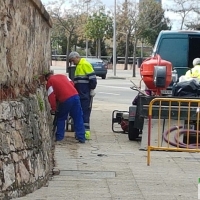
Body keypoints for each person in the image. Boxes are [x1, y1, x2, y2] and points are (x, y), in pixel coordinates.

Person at [45, 72, 85, 143]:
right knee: (78, 117)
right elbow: (72, 84)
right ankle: (81, 137)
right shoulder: (64, 76)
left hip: (65, 99)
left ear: (47, 78)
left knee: (61, 118)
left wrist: (53, 108)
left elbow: (51, 96)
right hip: (75, 96)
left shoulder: (50, 81)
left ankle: (59, 137)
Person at [68, 52, 97, 140]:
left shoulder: (85, 64)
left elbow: (92, 79)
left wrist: (92, 89)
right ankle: (80, 133)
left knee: (84, 114)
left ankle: (86, 134)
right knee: (80, 113)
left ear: (77, 57)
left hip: (85, 94)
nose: (73, 63)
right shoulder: (78, 66)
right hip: (80, 94)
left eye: (73, 60)